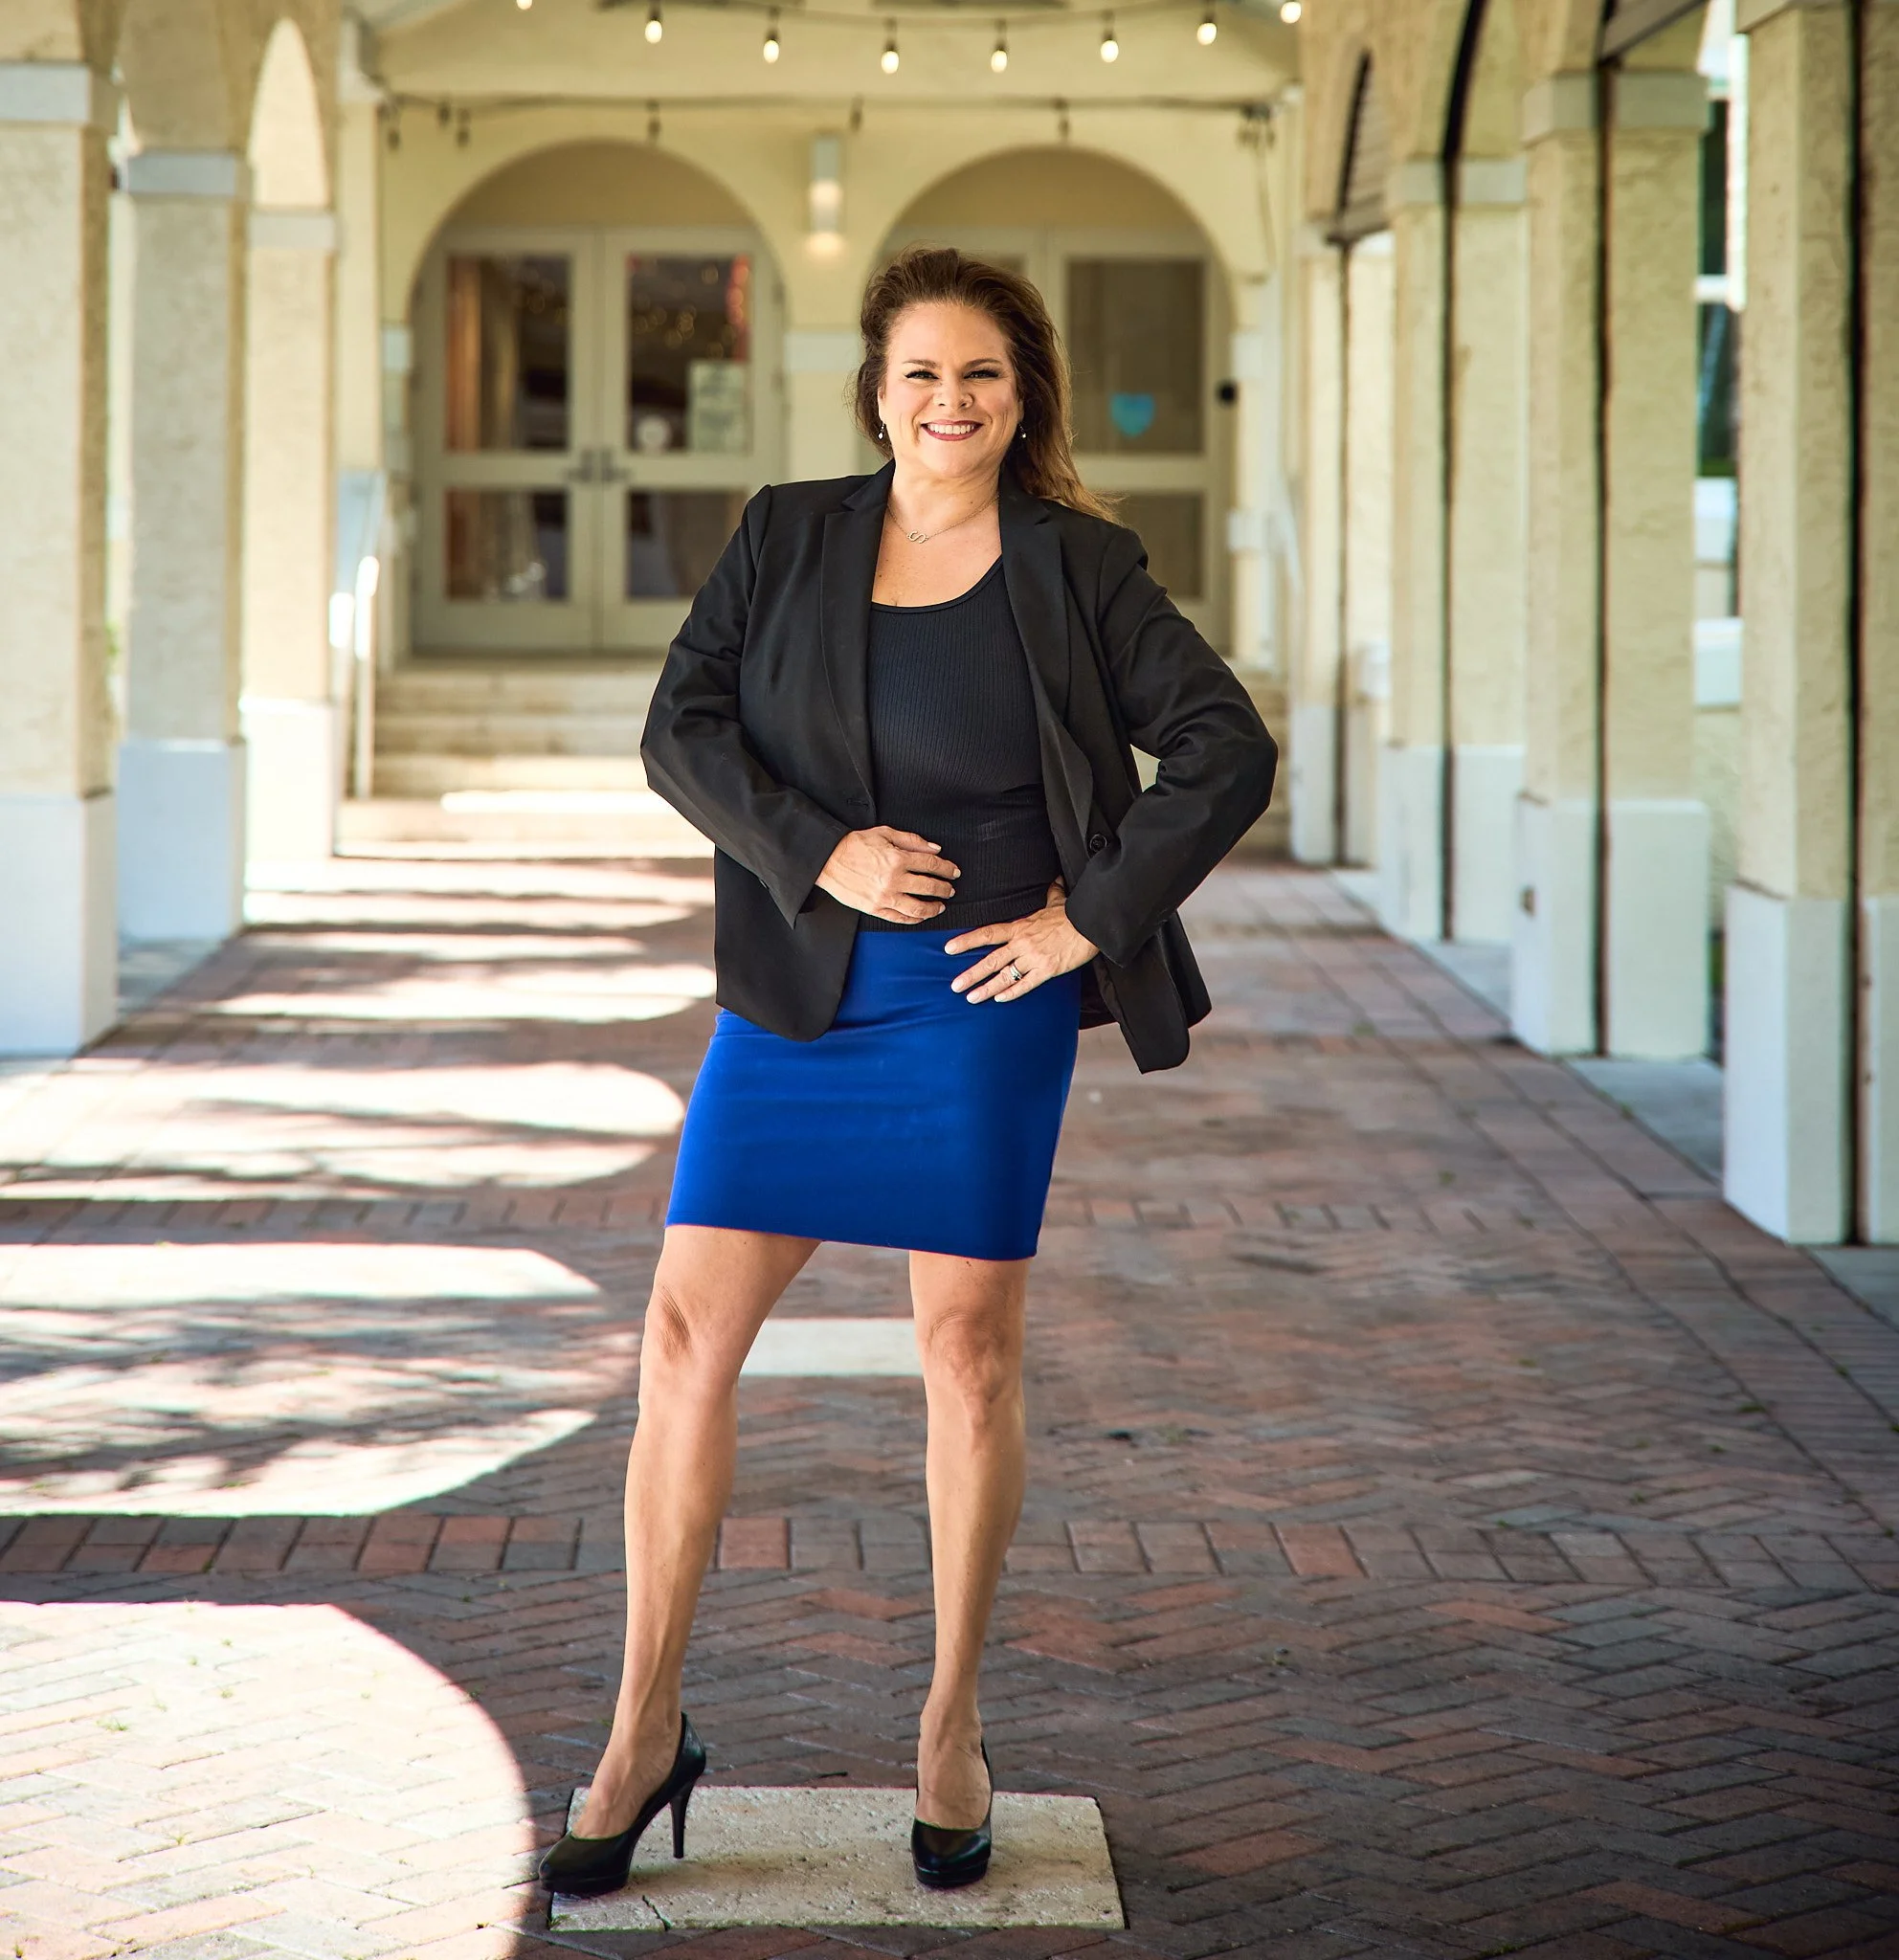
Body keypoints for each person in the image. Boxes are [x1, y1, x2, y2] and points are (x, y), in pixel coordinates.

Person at [538, 245, 1277, 1901]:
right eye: (920, 374)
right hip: (802, 994)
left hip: (980, 993)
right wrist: (819, 855)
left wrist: (1087, 921)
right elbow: (684, 729)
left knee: (967, 1354)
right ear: (876, 386)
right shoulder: (785, 533)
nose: (947, 403)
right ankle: (644, 1724)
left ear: (1027, 401)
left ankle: (950, 1729)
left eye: (983, 377)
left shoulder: (1080, 567)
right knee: (679, 1335)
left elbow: (1225, 745)